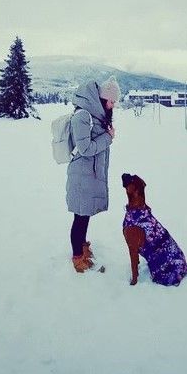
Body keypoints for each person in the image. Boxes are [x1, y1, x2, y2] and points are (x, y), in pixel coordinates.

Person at [66, 77, 121, 272]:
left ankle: (82, 247)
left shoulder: (97, 115)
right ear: (102, 98)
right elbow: (85, 148)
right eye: (111, 101)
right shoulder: (82, 116)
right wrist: (108, 138)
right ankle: (77, 258)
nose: (113, 105)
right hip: (81, 176)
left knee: (85, 214)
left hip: (89, 175)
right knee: (80, 217)